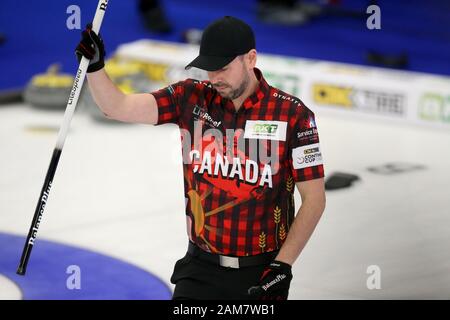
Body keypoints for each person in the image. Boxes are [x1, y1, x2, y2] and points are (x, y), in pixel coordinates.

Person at [75, 16, 326, 300]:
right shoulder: (190, 98)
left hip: (261, 273)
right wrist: (95, 67)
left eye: (223, 68)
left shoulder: (294, 116)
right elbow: (118, 107)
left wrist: (283, 265)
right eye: (209, 69)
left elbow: (315, 199)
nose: (214, 78)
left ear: (250, 59)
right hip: (198, 269)